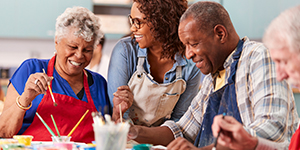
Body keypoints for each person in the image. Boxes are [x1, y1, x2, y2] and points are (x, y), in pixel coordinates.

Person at [123, 1, 299, 149]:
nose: (188, 54)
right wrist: (135, 132)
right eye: (185, 46)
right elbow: (182, 130)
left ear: (220, 34)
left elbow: (272, 129)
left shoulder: (257, 56)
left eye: (193, 43)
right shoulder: (212, 77)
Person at [0, 6, 130, 143]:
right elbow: (3, 132)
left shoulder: (99, 83)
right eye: (73, 47)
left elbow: (110, 141)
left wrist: (118, 113)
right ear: (56, 41)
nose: (79, 56)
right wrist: (25, 98)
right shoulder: (31, 69)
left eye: (87, 50)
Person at [212, 4, 300, 150]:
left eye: (283, 61)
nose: (280, 75)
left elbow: (274, 126)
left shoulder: (257, 55)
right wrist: (252, 143)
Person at [108, 0, 201, 126]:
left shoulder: (190, 62)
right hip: (126, 139)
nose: (132, 28)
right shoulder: (125, 51)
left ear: (161, 22)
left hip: (163, 142)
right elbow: (119, 118)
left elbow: (180, 122)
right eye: (132, 21)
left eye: (138, 22)